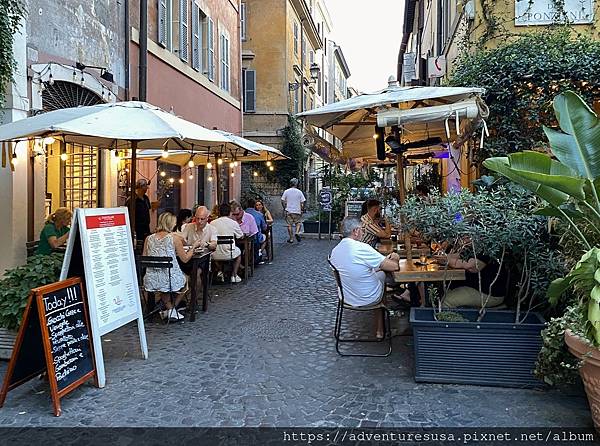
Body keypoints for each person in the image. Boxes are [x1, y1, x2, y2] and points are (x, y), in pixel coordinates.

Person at [330, 217, 400, 338]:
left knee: (378, 272)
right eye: (362, 229)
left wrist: (379, 265)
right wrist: (395, 257)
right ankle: (380, 329)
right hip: (368, 297)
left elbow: (357, 270)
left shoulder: (335, 251)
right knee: (382, 275)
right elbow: (394, 267)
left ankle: (380, 330)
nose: (363, 232)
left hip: (346, 297)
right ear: (356, 231)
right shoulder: (362, 248)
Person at [143, 212, 204, 321]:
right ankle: (172, 309)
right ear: (170, 224)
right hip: (169, 278)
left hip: (151, 278)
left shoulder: (148, 238)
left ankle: (169, 309)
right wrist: (193, 247)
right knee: (186, 280)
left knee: (163, 286)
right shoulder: (174, 239)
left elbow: (145, 257)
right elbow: (185, 259)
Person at [210, 203, 244, 283]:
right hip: (229, 252)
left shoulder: (212, 223)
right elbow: (240, 236)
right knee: (239, 253)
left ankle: (220, 271)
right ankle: (234, 275)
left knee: (217, 254)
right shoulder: (233, 223)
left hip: (214, 253)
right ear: (230, 212)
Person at [281, 178, 306, 243]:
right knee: (298, 223)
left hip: (289, 210)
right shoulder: (299, 192)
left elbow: (282, 200)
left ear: (290, 183)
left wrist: (284, 207)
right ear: (296, 184)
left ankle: (291, 239)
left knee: (289, 225)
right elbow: (303, 202)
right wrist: (302, 209)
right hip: (297, 210)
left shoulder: (286, 191)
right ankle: (297, 232)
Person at [245, 198, 267, 264]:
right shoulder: (259, 214)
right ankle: (260, 252)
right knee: (266, 237)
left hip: (244, 235)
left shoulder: (243, 213)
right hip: (255, 237)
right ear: (254, 205)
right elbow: (264, 228)